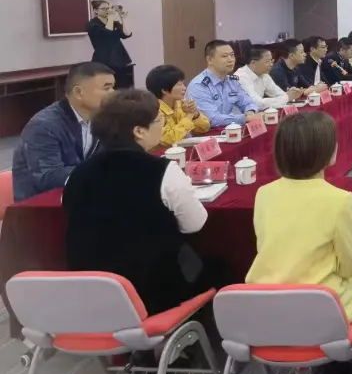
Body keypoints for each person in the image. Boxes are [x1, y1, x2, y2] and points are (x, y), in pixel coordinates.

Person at [63, 89, 210, 314]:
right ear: (139, 131)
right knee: (219, 268)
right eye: (159, 121)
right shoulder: (163, 171)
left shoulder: (77, 174)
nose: (162, 126)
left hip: (92, 289)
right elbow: (195, 224)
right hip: (151, 290)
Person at [247, 111, 352, 322]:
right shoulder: (341, 200)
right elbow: (350, 268)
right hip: (323, 305)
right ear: (327, 153)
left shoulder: (263, 193)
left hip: (267, 300)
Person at [12, 62, 115, 201]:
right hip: (40, 205)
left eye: (113, 87)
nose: (113, 93)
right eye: (106, 88)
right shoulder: (44, 126)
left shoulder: (102, 119)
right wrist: (100, 173)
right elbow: (48, 176)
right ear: (78, 92)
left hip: (82, 197)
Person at [187, 40, 260, 128]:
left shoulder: (232, 81)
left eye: (232, 55)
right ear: (209, 60)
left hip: (228, 130)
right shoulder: (199, 86)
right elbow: (211, 119)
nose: (230, 60)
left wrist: (250, 112)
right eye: (224, 56)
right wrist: (244, 118)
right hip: (207, 133)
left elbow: (248, 102)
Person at [145, 64, 211, 146]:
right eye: (179, 84)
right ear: (164, 90)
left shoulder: (180, 104)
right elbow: (168, 140)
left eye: (183, 84)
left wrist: (195, 114)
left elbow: (204, 128)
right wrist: (189, 116)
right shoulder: (154, 111)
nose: (184, 88)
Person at [236, 46, 303, 110]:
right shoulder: (241, 77)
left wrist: (289, 94)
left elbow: (279, 93)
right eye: (267, 61)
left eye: (271, 61)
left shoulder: (264, 74)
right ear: (253, 63)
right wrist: (287, 97)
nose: (271, 64)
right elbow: (257, 103)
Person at [87, 0, 134, 89]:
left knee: (122, 87)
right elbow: (107, 33)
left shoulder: (113, 23)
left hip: (120, 59)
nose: (107, 11)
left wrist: (122, 19)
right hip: (104, 60)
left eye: (108, 8)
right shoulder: (92, 24)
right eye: (103, 9)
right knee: (107, 87)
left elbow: (126, 34)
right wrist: (111, 18)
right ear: (96, 11)